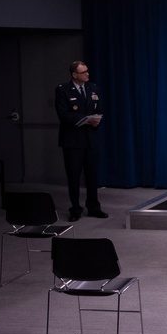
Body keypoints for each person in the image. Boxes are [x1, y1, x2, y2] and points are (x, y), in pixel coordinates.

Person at [55, 61, 107, 221]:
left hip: (91, 139)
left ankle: (93, 207)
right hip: (73, 141)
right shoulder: (63, 90)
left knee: (92, 175)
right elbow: (63, 115)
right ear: (74, 75)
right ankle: (75, 209)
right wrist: (85, 118)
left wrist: (97, 119)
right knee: (74, 176)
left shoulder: (93, 88)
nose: (87, 74)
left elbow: (99, 109)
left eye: (87, 71)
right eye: (83, 72)